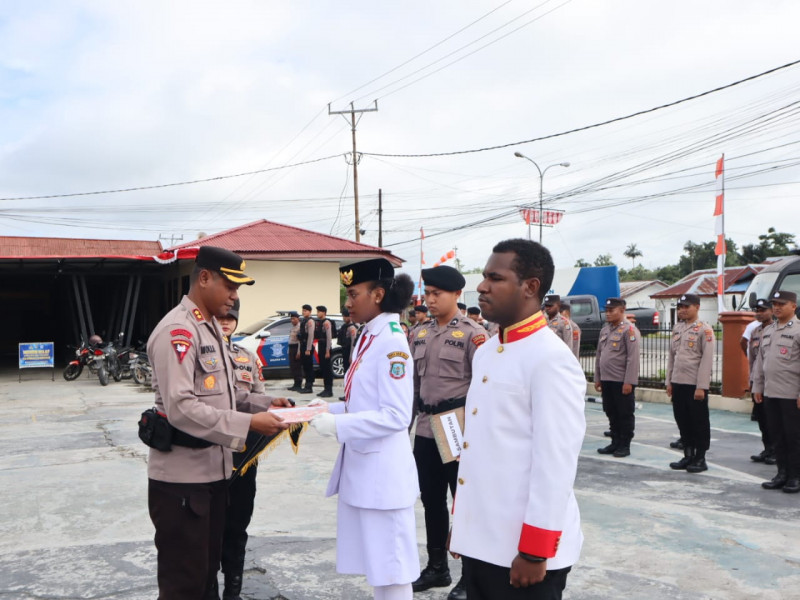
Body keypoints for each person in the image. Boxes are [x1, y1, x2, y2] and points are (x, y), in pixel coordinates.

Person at [145, 246, 290, 600]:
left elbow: (225, 397)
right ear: (204, 278)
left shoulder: (210, 330)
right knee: (185, 587)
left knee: (207, 581)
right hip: (183, 484)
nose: (235, 296)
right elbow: (181, 407)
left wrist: (267, 403)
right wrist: (248, 424)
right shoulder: (179, 332)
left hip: (213, 478)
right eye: (230, 286)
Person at [449, 239, 585, 600]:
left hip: (522, 552)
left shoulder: (550, 358)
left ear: (531, 287)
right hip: (484, 541)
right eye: (484, 277)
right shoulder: (489, 351)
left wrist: (535, 549)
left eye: (496, 278)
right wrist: (463, 528)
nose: (481, 286)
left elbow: (554, 462)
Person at [309, 258, 419, 600]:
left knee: (393, 570)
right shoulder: (370, 336)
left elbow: (396, 415)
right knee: (379, 568)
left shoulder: (392, 342)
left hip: (383, 477)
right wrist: (326, 408)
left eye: (354, 293)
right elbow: (363, 404)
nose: (347, 302)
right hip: (366, 472)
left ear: (378, 294)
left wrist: (337, 424)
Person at [411, 266, 485, 600]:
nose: (430, 300)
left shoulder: (473, 334)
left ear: (457, 295)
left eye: (436, 294)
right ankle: (437, 567)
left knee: (464, 502)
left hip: (457, 428)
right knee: (431, 500)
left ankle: (471, 576)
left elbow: (484, 390)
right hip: (426, 428)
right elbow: (413, 384)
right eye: (427, 293)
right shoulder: (420, 332)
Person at [217, 299, 273, 600]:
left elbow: (259, 396)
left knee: (238, 522)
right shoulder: (204, 355)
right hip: (212, 450)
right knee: (211, 525)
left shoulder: (247, 357)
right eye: (222, 317)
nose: (226, 322)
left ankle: (233, 590)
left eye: (231, 318)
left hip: (244, 454)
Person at [752, 290, 800, 493]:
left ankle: (795, 476)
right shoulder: (768, 331)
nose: (777, 307)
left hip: (791, 395)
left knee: (794, 437)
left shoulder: (798, 330)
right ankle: (781, 473)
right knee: (777, 436)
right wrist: (757, 386)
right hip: (771, 393)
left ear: (793, 306)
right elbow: (760, 362)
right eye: (775, 304)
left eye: (782, 304)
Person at [666, 294, 715, 474]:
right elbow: (672, 356)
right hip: (678, 382)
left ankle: (700, 458)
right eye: (680, 307)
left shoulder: (705, 330)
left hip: (694, 385)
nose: (683, 310)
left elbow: (707, 360)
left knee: (699, 422)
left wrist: (702, 386)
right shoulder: (677, 328)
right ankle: (687, 455)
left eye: (687, 306)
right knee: (682, 420)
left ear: (697, 307)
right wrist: (669, 381)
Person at [594, 297, 641, 458]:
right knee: (611, 411)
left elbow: (632, 358)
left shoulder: (629, 330)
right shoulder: (605, 330)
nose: (607, 313)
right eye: (606, 310)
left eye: (611, 310)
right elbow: (599, 355)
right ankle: (614, 441)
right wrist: (597, 377)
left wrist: (629, 381)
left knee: (624, 413)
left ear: (622, 311)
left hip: (621, 381)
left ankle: (624, 444)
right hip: (607, 380)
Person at [741, 299, 775, 464]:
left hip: (773, 382)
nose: (760, 313)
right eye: (757, 310)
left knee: (773, 418)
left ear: (772, 311)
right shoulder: (754, 331)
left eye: (763, 310)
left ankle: (776, 451)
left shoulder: (778, 330)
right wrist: (751, 380)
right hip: (758, 381)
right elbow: (752, 359)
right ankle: (767, 448)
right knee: (761, 417)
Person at [316, 305, 335, 398]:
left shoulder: (327, 322)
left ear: (323, 312)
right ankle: (325, 389)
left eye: (319, 311)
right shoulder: (320, 322)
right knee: (323, 368)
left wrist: (327, 350)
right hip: (321, 345)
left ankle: (329, 390)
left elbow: (329, 337)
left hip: (325, 346)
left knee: (327, 369)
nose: (317, 313)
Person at [298, 304, 316, 394]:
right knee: (305, 367)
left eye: (305, 310)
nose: (303, 312)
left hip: (307, 346)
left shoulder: (310, 321)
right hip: (303, 345)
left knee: (309, 367)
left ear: (309, 312)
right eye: (303, 310)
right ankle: (306, 385)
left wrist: (308, 348)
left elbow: (310, 336)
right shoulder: (304, 321)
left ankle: (309, 386)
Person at [286, 311, 303, 392]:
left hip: (297, 348)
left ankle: (299, 384)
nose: (292, 320)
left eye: (294, 318)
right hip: (291, 348)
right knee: (293, 367)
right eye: (291, 319)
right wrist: (289, 350)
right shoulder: (292, 327)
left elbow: (300, 341)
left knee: (297, 367)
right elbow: (290, 340)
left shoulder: (300, 327)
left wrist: (299, 352)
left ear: (298, 318)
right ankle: (295, 384)